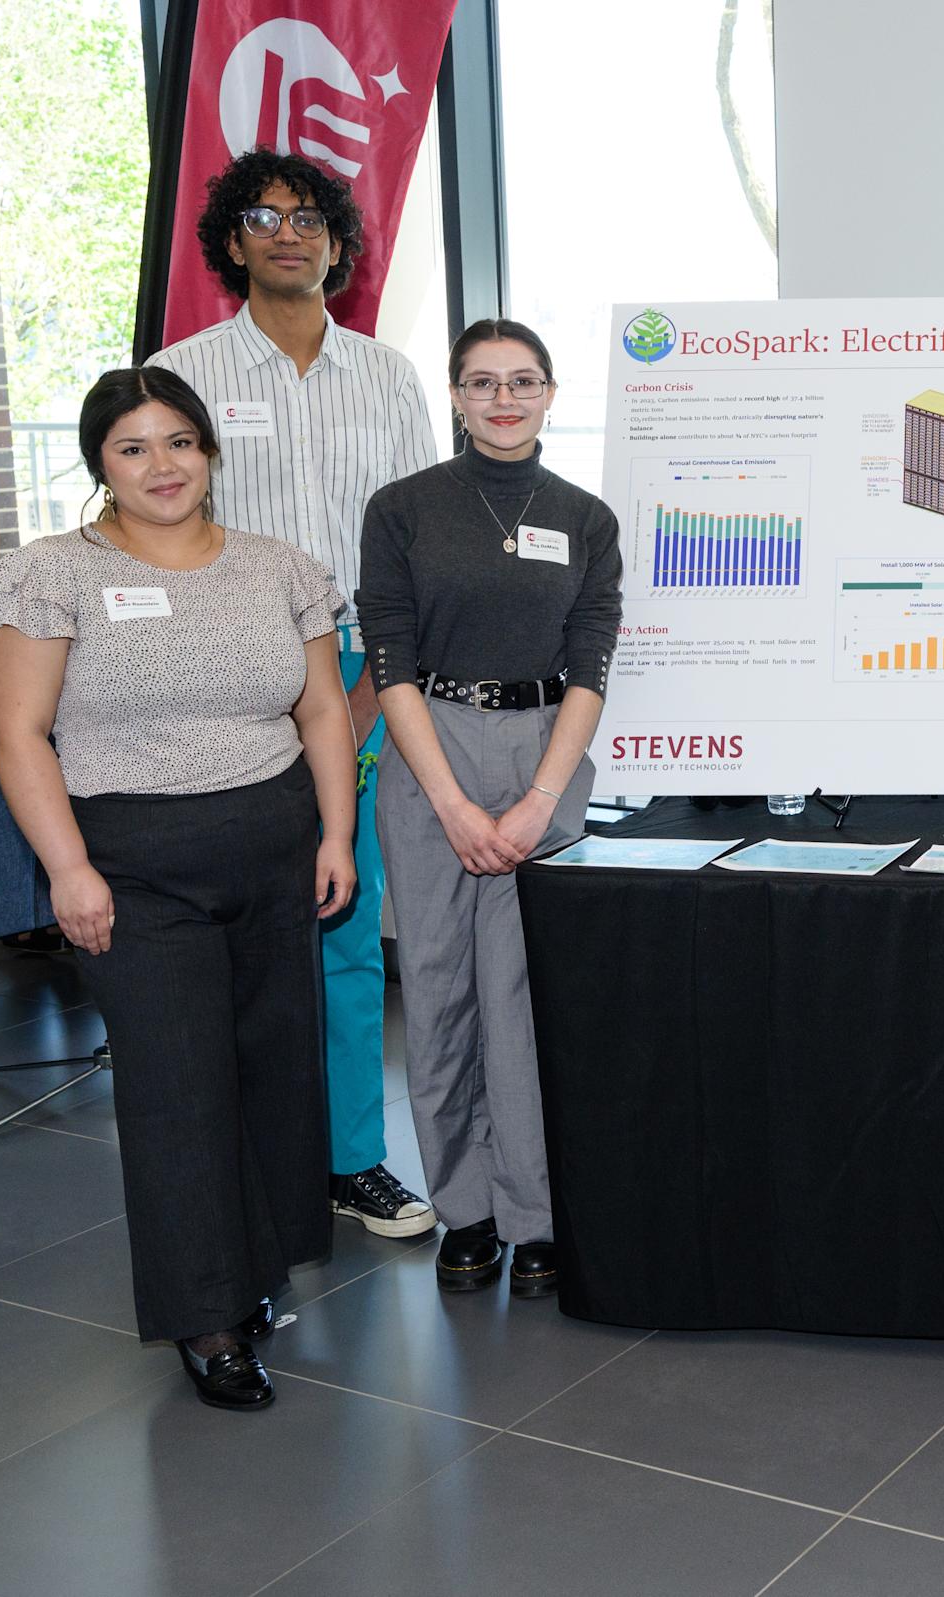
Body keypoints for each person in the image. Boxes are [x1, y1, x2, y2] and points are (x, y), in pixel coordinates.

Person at [0, 367, 355, 1410]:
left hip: (276, 847)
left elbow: (324, 710)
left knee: (273, 1070)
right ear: (101, 462)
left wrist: (337, 835)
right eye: (133, 447)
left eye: (179, 441)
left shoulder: (280, 566)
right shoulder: (48, 574)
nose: (163, 465)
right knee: (177, 1085)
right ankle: (204, 1314)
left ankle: (256, 1266)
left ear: (210, 451)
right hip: (134, 863)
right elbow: (15, 730)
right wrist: (68, 868)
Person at [148, 148, 439, 1242]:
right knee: (234, 930)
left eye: (309, 216)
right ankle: (251, 1159)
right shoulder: (181, 373)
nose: (288, 233)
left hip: (360, 668)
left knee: (345, 916)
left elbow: (414, 543)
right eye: (264, 217)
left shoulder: (388, 376)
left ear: (337, 242)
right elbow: (156, 527)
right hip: (232, 672)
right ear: (232, 241)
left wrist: (373, 690)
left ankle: (353, 1160)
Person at [358, 318, 621, 1299]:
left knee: (525, 994)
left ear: (550, 392)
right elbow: (390, 660)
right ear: (456, 396)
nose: (503, 399)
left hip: (546, 755)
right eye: (482, 382)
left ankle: (536, 1212)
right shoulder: (403, 509)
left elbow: (591, 667)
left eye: (522, 381)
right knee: (435, 986)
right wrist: (453, 804)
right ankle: (465, 1209)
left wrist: (540, 799)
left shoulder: (587, 519)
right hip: (430, 748)